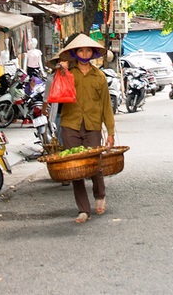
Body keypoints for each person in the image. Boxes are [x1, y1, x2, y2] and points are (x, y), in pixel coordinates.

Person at [57, 33, 115, 223]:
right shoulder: (68, 74)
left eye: (88, 50)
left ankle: (99, 195)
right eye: (81, 50)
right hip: (70, 124)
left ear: (92, 53)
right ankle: (83, 209)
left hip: (92, 125)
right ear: (75, 53)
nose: (84, 53)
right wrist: (61, 70)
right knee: (76, 168)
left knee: (94, 164)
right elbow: (56, 90)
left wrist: (111, 133)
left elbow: (107, 106)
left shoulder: (99, 77)